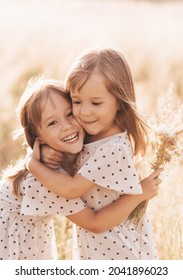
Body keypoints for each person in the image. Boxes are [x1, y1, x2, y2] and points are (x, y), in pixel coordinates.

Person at [0, 77, 160, 260]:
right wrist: (140, 194)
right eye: (53, 123)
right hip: (10, 239)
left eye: (69, 114)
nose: (67, 126)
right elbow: (94, 223)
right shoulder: (46, 180)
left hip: (28, 234)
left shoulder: (63, 150)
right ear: (39, 137)